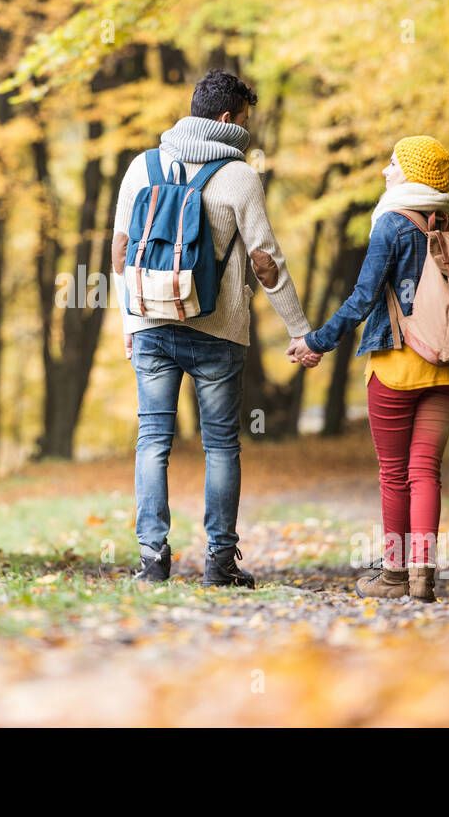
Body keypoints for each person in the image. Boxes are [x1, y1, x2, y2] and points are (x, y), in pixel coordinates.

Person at [112, 69, 318, 588]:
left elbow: (118, 254)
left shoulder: (142, 166)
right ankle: (220, 564)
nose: (247, 131)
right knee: (221, 446)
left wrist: (129, 322)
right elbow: (266, 263)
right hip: (219, 331)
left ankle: (152, 559)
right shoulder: (240, 177)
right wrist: (299, 329)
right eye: (245, 121)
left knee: (152, 440)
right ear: (227, 119)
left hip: (153, 325)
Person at [288, 136, 449, 602]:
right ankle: (423, 575)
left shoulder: (391, 223)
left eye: (393, 163)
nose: (386, 171)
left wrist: (316, 342)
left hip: (396, 366)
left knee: (394, 473)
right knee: (426, 470)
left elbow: (363, 297)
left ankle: (393, 573)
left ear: (412, 175)